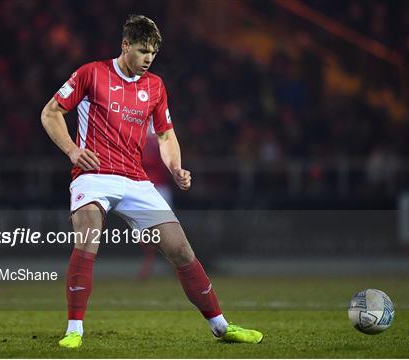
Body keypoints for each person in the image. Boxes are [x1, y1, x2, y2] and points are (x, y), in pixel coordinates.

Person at [41, 14, 263, 349]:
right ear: (125, 45)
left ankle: (221, 327)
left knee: (182, 250)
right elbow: (51, 112)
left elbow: (166, 134)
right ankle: (74, 330)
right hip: (95, 174)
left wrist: (175, 166)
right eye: (143, 50)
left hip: (136, 179)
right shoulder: (91, 73)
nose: (148, 59)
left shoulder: (155, 86)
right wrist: (73, 151)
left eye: (154, 53)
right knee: (87, 239)